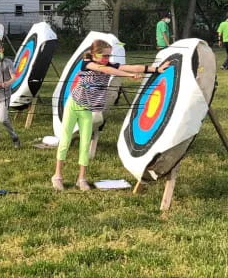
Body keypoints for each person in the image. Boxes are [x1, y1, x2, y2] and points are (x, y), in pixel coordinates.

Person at [51, 39, 171, 191]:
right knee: (65, 140)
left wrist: (156, 69)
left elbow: (132, 66)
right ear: (94, 54)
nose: (108, 59)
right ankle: (57, 176)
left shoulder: (107, 64)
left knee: (85, 144)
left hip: (88, 110)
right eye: (104, 56)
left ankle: (81, 179)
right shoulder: (87, 63)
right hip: (73, 105)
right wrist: (127, 75)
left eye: (109, 56)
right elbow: (106, 70)